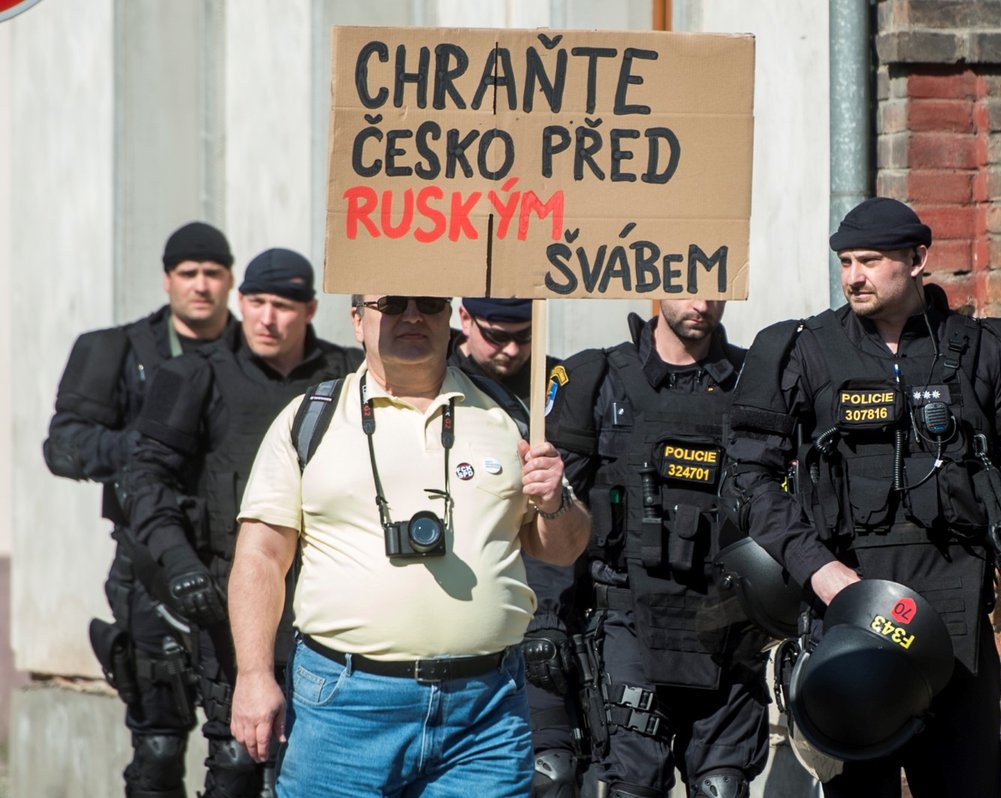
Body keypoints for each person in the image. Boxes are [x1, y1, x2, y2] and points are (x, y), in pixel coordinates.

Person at [725, 197, 1001, 797]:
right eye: (845, 262)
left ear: (918, 259)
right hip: (845, 613)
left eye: (869, 260)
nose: (853, 277)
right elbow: (749, 479)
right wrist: (817, 570)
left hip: (957, 619)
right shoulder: (801, 351)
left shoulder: (987, 351)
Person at [226, 293, 591, 797]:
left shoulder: (509, 416)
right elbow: (260, 556)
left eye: (431, 303)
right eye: (393, 304)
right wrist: (252, 674)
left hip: (485, 712)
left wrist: (555, 502)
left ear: (452, 319)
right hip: (346, 707)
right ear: (357, 320)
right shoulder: (310, 419)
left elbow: (562, 548)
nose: (414, 316)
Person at [118, 247, 363, 798]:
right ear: (241, 300)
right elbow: (146, 482)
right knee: (234, 759)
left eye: (282, 305)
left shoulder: (345, 375)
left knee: (324, 758)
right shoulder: (194, 377)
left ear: (310, 309)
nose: (267, 318)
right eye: (256, 302)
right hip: (234, 597)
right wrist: (180, 565)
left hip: (327, 600)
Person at [43, 220, 239, 798]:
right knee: (158, 744)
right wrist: (152, 443)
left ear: (230, 280)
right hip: (148, 566)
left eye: (212, 273)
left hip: (236, 564)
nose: (200, 285)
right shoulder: (118, 350)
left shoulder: (255, 355)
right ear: (167, 279)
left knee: (239, 750)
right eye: (188, 273)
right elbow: (64, 446)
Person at [544, 300, 770, 798]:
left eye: (714, 288)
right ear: (655, 286)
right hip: (625, 620)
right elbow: (552, 523)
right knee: (634, 786)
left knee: (722, 787)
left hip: (725, 624)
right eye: (686, 286)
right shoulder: (595, 379)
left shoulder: (756, 379)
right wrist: (549, 626)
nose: (701, 303)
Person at [451, 297, 589, 798]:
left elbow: (570, 530)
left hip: (542, 608)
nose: (511, 349)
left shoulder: (558, 386)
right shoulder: (435, 380)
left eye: (524, 336)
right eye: (496, 334)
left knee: (551, 773)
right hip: (454, 612)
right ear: (464, 318)